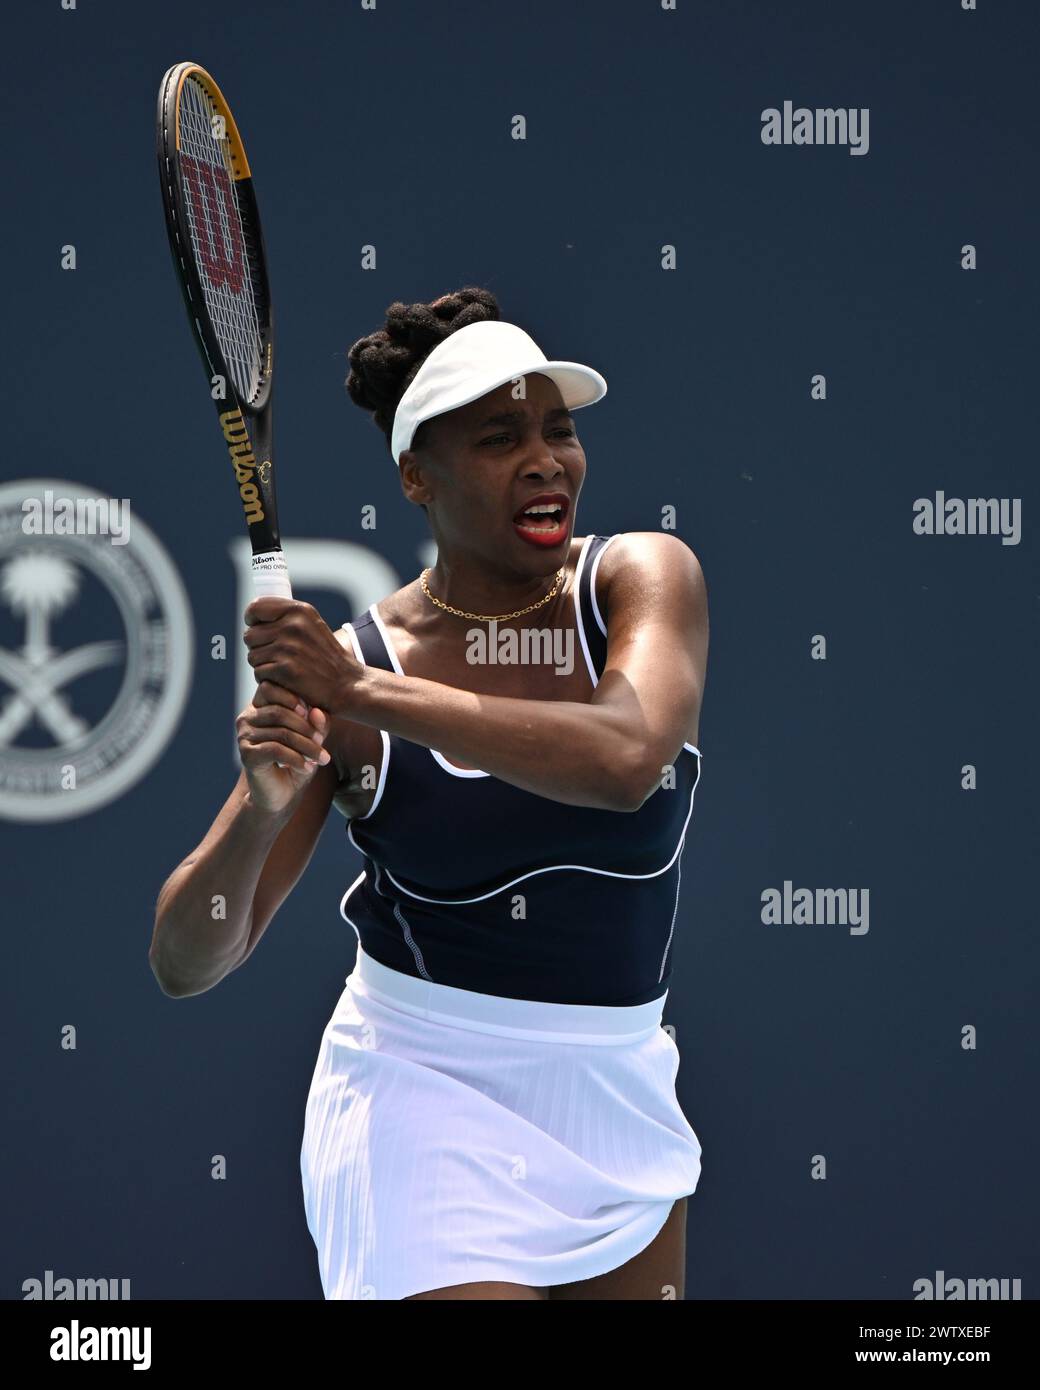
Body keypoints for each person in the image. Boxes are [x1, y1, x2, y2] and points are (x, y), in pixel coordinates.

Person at [150, 287, 710, 1301]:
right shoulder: (357, 675)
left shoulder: (640, 575)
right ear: (416, 475)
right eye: (500, 437)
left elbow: (625, 759)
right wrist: (262, 811)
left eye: (558, 428)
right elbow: (189, 959)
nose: (545, 458)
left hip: (619, 1094)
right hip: (423, 1100)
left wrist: (359, 690)